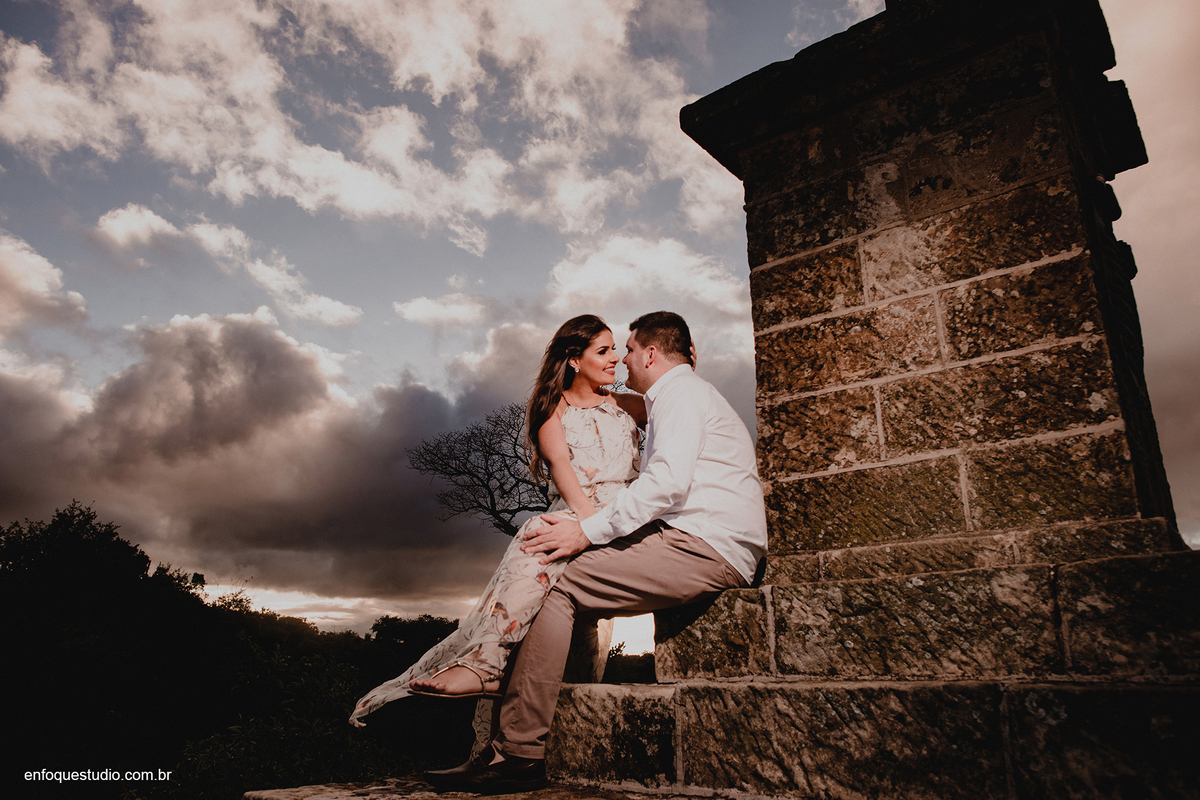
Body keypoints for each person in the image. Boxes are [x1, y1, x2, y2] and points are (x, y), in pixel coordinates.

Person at [426, 310, 768, 794]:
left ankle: (515, 749)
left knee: (554, 578)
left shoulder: (679, 394)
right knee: (548, 567)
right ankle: (504, 724)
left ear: (650, 353)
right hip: (693, 538)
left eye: (626, 349)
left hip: (705, 546)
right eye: (609, 351)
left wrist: (587, 531)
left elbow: (667, 484)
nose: (623, 359)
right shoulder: (677, 395)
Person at [348, 314, 645, 729]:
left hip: (622, 519)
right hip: (576, 515)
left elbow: (678, 409)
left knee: (545, 558)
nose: (615, 357)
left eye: (616, 348)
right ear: (574, 360)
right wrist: (587, 527)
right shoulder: (551, 409)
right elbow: (563, 474)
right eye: (604, 350)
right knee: (538, 533)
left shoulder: (628, 405)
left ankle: (488, 665)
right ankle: (488, 669)